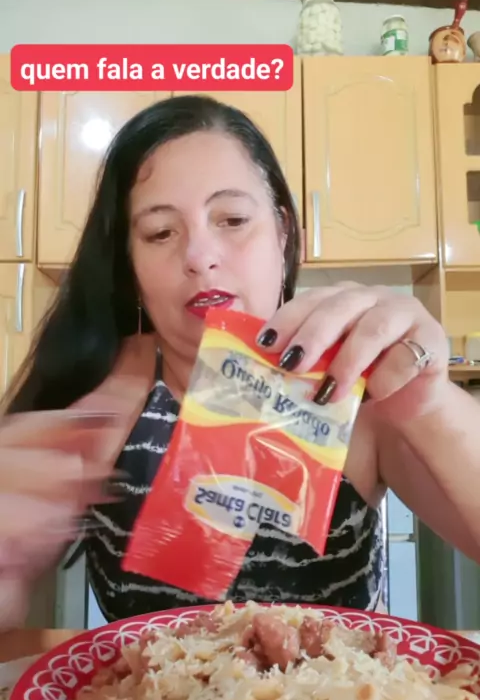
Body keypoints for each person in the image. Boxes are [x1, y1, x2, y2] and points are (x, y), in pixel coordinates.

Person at [0, 95, 479, 629]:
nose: (199, 256)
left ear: (283, 231)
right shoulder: (105, 389)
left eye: (231, 219)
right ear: (129, 264)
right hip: (141, 686)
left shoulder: (354, 384)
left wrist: (429, 401)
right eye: (160, 232)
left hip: (342, 685)